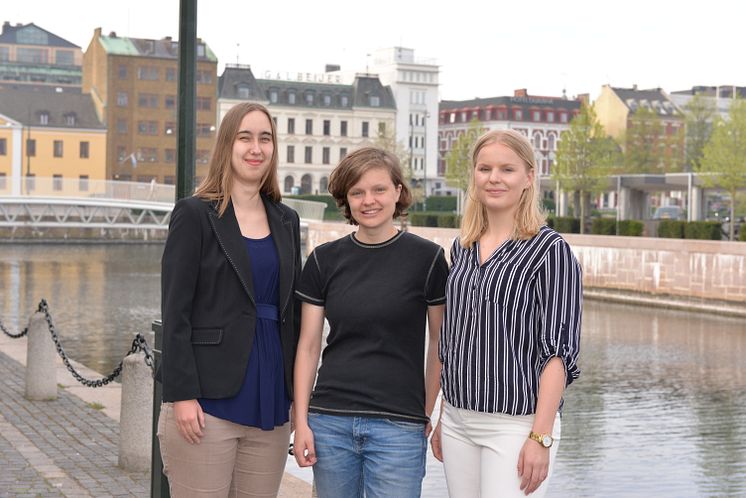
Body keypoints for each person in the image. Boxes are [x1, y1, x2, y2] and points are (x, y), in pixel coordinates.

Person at [157, 102, 302, 497]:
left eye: (265, 139)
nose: (256, 148)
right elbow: (175, 311)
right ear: (227, 144)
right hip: (206, 403)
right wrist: (182, 395)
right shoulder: (194, 215)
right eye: (245, 138)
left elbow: (294, 314)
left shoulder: (286, 220)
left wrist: (297, 400)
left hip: (270, 405)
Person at [431, 129, 582, 497]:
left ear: (529, 177)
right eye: (484, 168)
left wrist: (540, 437)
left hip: (516, 425)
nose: (494, 178)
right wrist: (441, 416)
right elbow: (452, 340)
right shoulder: (463, 247)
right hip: (457, 420)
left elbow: (557, 354)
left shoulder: (551, 252)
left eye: (507, 169)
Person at [292, 147, 448, 498]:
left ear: (397, 192)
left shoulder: (429, 259)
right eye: (357, 192)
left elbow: (441, 343)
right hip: (330, 421)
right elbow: (308, 345)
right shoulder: (323, 261)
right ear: (346, 200)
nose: (369, 201)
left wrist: (425, 412)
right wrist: (301, 421)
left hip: (399, 426)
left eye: (379, 189)